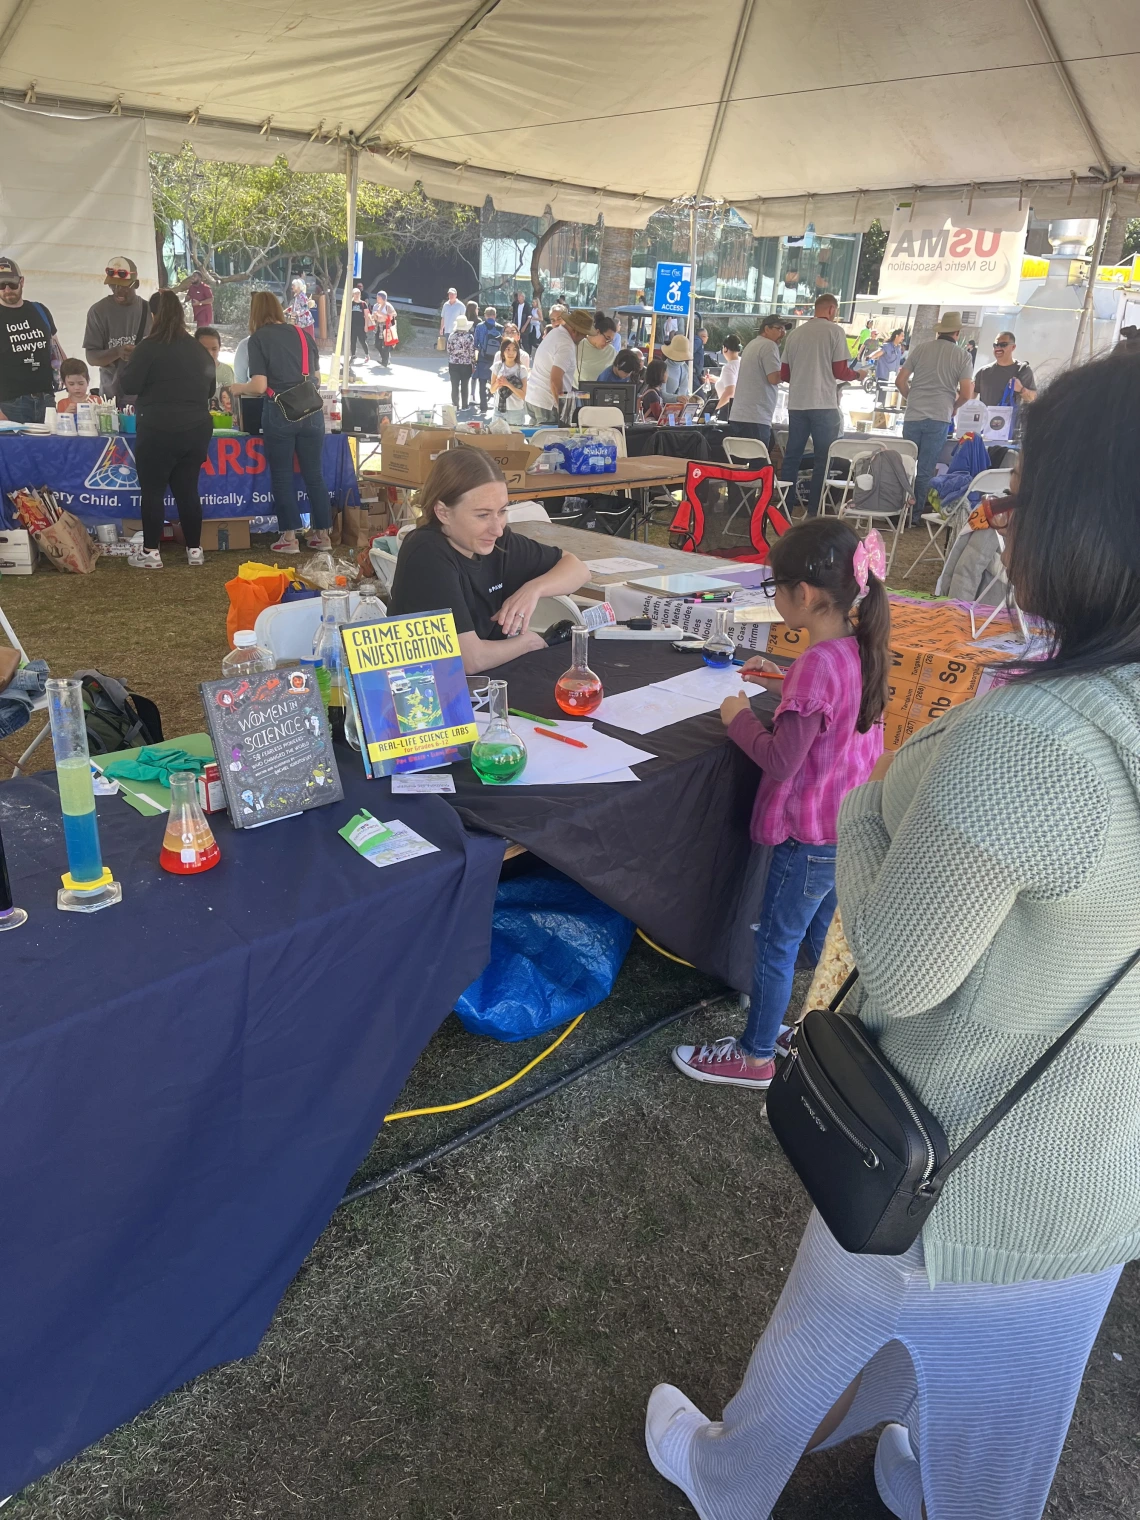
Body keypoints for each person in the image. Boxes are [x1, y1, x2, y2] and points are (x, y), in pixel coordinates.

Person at [647, 346, 1140, 1520]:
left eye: (1017, 490)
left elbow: (906, 972)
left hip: (949, 1156)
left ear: (1080, 517)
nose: (998, 514)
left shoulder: (1034, 741)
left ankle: (727, 1476)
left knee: (824, 1327)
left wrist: (872, 799)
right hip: (1102, 1162)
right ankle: (911, 1463)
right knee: (1001, 1448)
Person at [673, 517, 886, 1090]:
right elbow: (830, 714)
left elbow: (779, 760)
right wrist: (781, 680)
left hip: (805, 836)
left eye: (775, 588)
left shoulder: (817, 665)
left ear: (806, 595)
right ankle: (813, 1027)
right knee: (820, 935)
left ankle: (756, 1054)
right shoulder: (856, 647)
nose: (775, 600)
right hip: (846, 824)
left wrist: (737, 716)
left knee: (775, 945)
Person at [387, 448, 589, 673]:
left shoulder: (495, 542)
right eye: (482, 515)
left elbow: (578, 569)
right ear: (443, 513)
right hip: (426, 691)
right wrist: (527, 643)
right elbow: (470, 660)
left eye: (501, 512)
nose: (497, 529)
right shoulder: (426, 552)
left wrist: (533, 589)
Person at [226, 291, 333, 556]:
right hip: (312, 413)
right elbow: (317, 378)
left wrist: (237, 388)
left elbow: (260, 385)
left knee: (283, 476)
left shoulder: (258, 339)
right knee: (315, 475)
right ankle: (323, 535)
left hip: (279, 413)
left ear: (255, 313)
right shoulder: (303, 334)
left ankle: (289, 537)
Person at [117, 290, 215, 570]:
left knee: (153, 491)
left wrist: (129, 362)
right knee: (187, 489)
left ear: (154, 315)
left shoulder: (148, 347)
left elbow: (129, 386)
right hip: (195, 428)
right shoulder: (198, 348)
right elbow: (209, 387)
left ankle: (151, 552)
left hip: (158, 427)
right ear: (182, 314)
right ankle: (195, 550)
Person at [778, 294, 862, 515]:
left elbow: (785, 374)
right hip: (823, 402)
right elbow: (840, 371)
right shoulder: (835, 332)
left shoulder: (795, 334)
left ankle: (784, 510)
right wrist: (859, 374)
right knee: (823, 460)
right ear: (832, 310)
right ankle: (814, 512)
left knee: (792, 457)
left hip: (797, 403)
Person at [897, 312, 975, 519]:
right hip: (940, 415)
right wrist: (954, 406)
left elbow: (900, 381)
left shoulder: (921, 349)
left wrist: (910, 397)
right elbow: (967, 392)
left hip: (913, 414)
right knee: (925, 469)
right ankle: (914, 517)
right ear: (957, 333)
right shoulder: (962, 356)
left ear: (939, 331)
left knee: (906, 466)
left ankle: (897, 511)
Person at [0, 256, 61, 423]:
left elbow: (56, 350)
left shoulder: (39, 309)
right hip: (10, 404)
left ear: (22, 281)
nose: (6, 289)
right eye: (1, 285)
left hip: (47, 399)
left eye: (11, 284)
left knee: (52, 449)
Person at [83, 255, 150, 403]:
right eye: (113, 285)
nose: (118, 291)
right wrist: (117, 352)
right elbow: (91, 357)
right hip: (111, 399)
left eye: (124, 286)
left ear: (136, 284)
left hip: (145, 397)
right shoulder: (98, 311)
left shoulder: (150, 311)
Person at [526, 307, 592, 423]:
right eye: (584, 334)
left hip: (534, 398)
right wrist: (562, 411)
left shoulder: (555, 333)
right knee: (550, 440)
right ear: (576, 330)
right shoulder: (566, 344)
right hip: (547, 403)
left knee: (536, 439)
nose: (584, 338)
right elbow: (555, 381)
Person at [728, 316, 786, 446]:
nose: (782, 333)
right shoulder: (769, 345)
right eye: (779, 329)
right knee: (758, 463)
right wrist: (792, 369)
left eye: (784, 330)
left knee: (740, 462)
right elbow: (774, 378)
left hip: (739, 415)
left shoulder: (752, 344)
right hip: (756, 416)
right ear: (766, 329)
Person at [972, 331, 1037, 411]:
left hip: (1009, 422)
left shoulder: (1023, 370)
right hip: (985, 422)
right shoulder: (983, 372)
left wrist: (1021, 389)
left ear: (1013, 347)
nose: (998, 348)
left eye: (1003, 345)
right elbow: (971, 396)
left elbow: (1033, 398)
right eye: (995, 345)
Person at [471, 306, 503, 412]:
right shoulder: (500, 328)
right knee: (496, 382)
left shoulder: (480, 326)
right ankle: (496, 404)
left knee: (482, 382)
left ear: (485, 315)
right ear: (495, 315)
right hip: (497, 358)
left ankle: (483, 407)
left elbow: (475, 343)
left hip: (483, 357)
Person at [577, 313, 620, 385]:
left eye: (611, 341)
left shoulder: (611, 351)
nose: (607, 343)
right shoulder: (578, 345)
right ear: (597, 332)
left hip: (602, 391)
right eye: (607, 338)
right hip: (579, 391)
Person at [446, 315, 476, 411]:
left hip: (453, 363)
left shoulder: (451, 336)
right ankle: (464, 405)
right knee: (465, 384)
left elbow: (448, 350)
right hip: (466, 364)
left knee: (454, 385)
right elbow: (472, 352)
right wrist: (474, 362)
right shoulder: (469, 337)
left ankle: (455, 405)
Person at [194, 328, 234, 400]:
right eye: (204, 349)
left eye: (214, 349)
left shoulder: (227, 371)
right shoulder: (189, 371)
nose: (210, 353)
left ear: (219, 348)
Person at [490, 336, 527, 414]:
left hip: (516, 411)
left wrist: (508, 384)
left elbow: (523, 395)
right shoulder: (497, 366)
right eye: (508, 349)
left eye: (514, 350)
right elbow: (492, 390)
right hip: (498, 410)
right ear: (503, 351)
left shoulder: (521, 369)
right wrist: (498, 383)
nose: (511, 353)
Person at [713, 333, 742, 417]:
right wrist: (716, 379)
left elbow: (730, 392)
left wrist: (715, 408)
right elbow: (734, 382)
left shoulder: (728, 367)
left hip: (727, 409)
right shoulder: (743, 362)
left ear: (725, 349)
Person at [373, 290, 398, 368]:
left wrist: (382, 314)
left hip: (386, 327)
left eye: (379, 297)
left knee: (386, 345)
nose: (377, 299)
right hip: (379, 326)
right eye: (377, 297)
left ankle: (384, 362)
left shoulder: (388, 306)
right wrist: (373, 316)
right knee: (377, 344)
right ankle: (385, 357)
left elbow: (393, 315)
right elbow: (375, 317)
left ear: (383, 298)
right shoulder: (376, 306)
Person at [638, 358, 668, 422]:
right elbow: (659, 416)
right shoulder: (652, 395)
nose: (667, 374)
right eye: (665, 372)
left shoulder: (651, 390)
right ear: (659, 374)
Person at [349, 287, 369, 364]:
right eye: (355, 293)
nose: (356, 295)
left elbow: (367, 316)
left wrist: (366, 326)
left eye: (358, 293)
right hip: (352, 325)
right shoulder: (350, 303)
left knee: (362, 341)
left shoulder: (363, 304)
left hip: (361, 325)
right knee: (353, 341)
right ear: (352, 295)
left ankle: (367, 355)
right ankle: (353, 355)